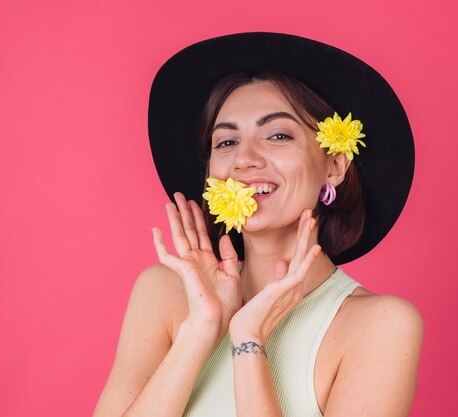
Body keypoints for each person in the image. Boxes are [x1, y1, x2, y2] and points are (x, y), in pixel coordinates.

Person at [93, 32, 423, 417]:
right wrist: (202, 328)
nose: (243, 160)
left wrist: (248, 339)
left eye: (278, 135)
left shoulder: (379, 325)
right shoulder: (165, 294)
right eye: (226, 142)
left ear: (334, 166)